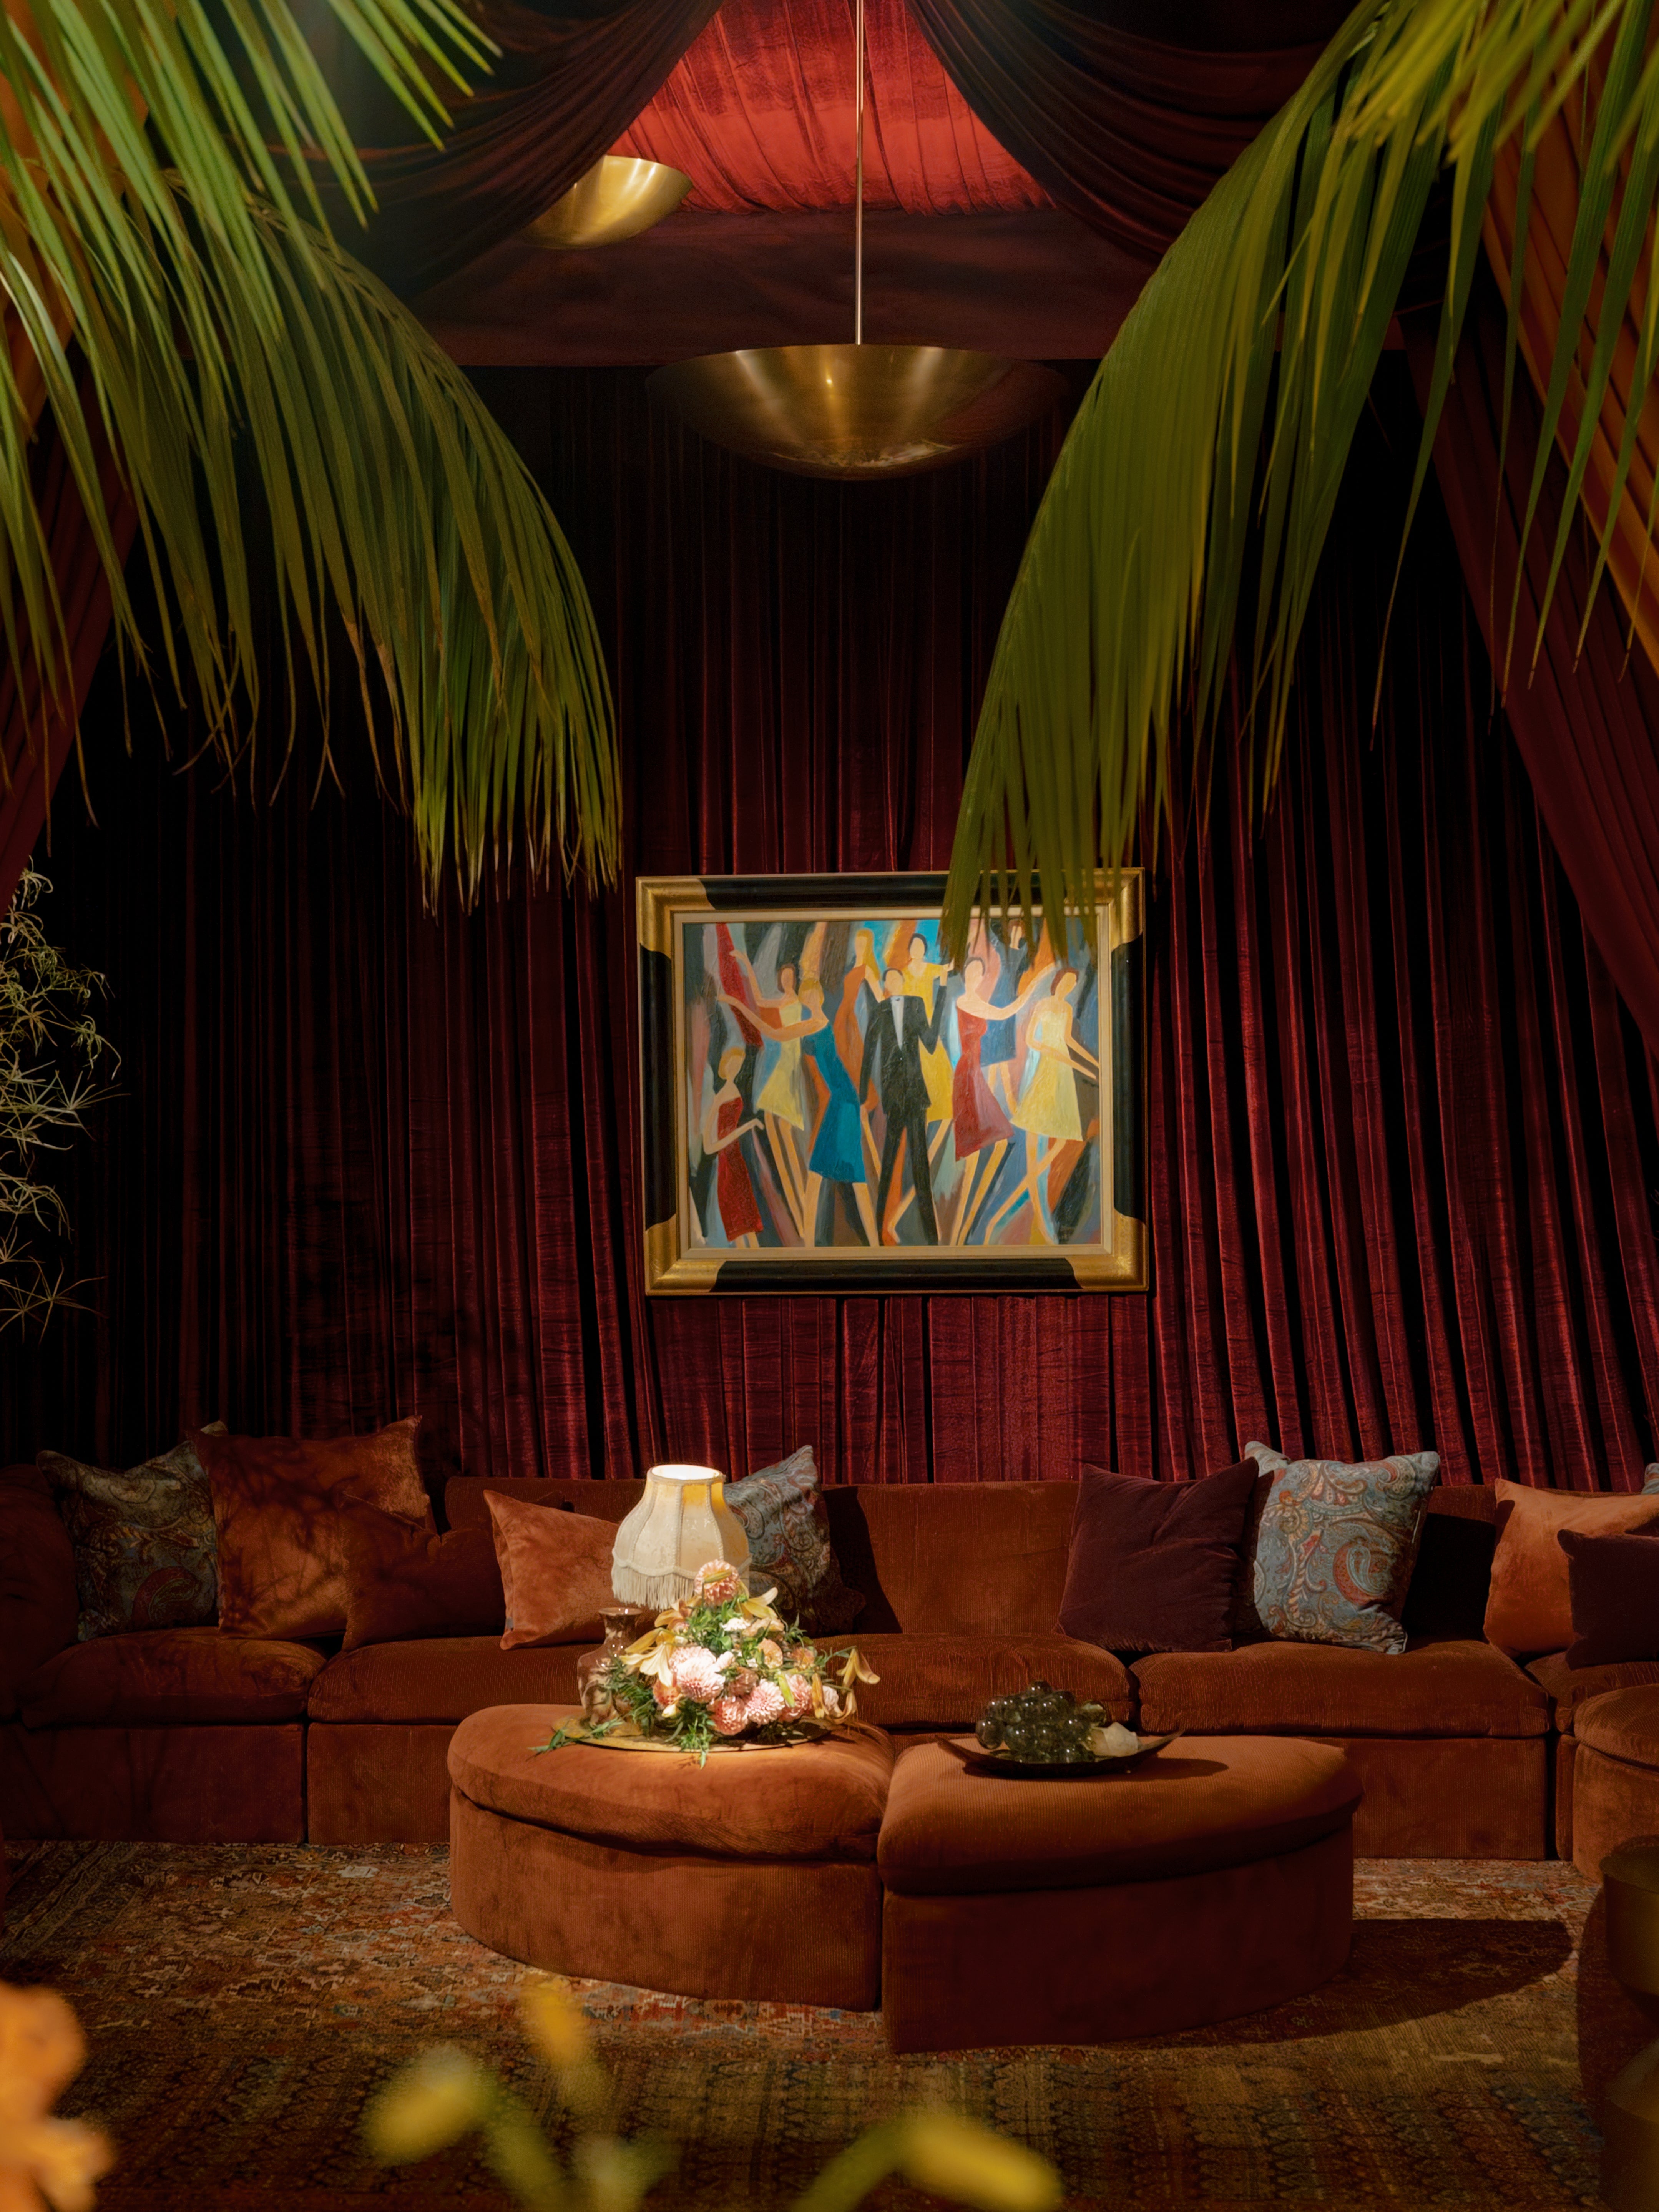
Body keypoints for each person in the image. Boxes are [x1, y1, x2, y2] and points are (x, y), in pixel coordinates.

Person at [722, 982, 878, 1246]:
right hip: (840, 1101)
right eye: (806, 996)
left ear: (819, 997)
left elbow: (774, 1033)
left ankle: (870, 1244)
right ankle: (813, 1246)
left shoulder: (816, 1023)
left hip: (844, 1102)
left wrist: (739, 1006)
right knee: (822, 1173)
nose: (809, 999)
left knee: (850, 1175)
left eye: (813, 994)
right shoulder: (813, 1023)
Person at [984, 968, 1099, 1244]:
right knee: (1036, 1144)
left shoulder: (1066, 1008)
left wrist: (1093, 1064)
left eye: (1073, 984)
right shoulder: (1043, 1005)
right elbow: (1031, 1041)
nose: (1069, 987)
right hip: (1046, 1071)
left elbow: (1069, 1042)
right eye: (1066, 982)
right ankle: (1029, 1213)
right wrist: (1056, 1055)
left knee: (1062, 1140)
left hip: (1063, 1075)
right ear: (1057, 982)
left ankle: (1030, 1190)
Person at [859, 966, 947, 1244]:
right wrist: (862, 1096)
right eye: (889, 980)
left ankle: (932, 1239)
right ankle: (877, 1232)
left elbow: (930, 1043)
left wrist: (942, 993)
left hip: (916, 1096)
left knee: (921, 1166)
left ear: (903, 982)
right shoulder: (880, 1010)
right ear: (886, 985)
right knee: (888, 1165)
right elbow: (868, 1051)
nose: (894, 983)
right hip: (894, 1098)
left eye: (897, 978)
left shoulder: (916, 1004)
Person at [699, 1046, 763, 1247]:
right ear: (724, 1066)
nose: (736, 1068)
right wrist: (748, 1127)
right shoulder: (720, 1097)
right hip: (728, 1164)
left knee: (747, 1223)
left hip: (736, 1160)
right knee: (740, 1225)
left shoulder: (732, 1089)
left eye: (739, 1064)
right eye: (732, 1064)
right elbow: (709, 1146)